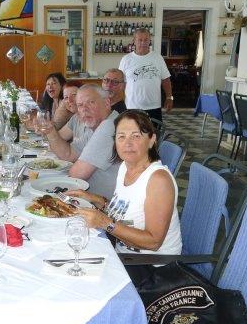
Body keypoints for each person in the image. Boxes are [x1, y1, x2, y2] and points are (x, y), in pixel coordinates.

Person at [67, 110, 182, 281]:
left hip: (153, 268)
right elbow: (125, 210)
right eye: (121, 137)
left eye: (136, 136)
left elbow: (154, 242)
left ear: (151, 140)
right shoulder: (125, 167)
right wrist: (95, 199)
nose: (127, 143)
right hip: (124, 256)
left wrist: (105, 222)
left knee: (77, 275)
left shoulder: (158, 180)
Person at [39, 84, 120, 199]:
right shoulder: (97, 126)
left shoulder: (110, 126)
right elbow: (68, 154)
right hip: (89, 198)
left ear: (106, 103)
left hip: (100, 204)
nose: (84, 109)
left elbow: (77, 175)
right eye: (80, 105)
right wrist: (50, 131)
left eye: (90, 102)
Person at [119, 28, 174, 122]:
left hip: (154, 107)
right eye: (140, 40)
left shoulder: (158, 58)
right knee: (133, 131)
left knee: (154, 131)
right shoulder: (126, 59)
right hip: (132, 107)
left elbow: (166, 79)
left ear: (149, 41)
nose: (143, 43)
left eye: (146, 40)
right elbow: (121, 83)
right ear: (134, 41)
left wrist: (169, 97)